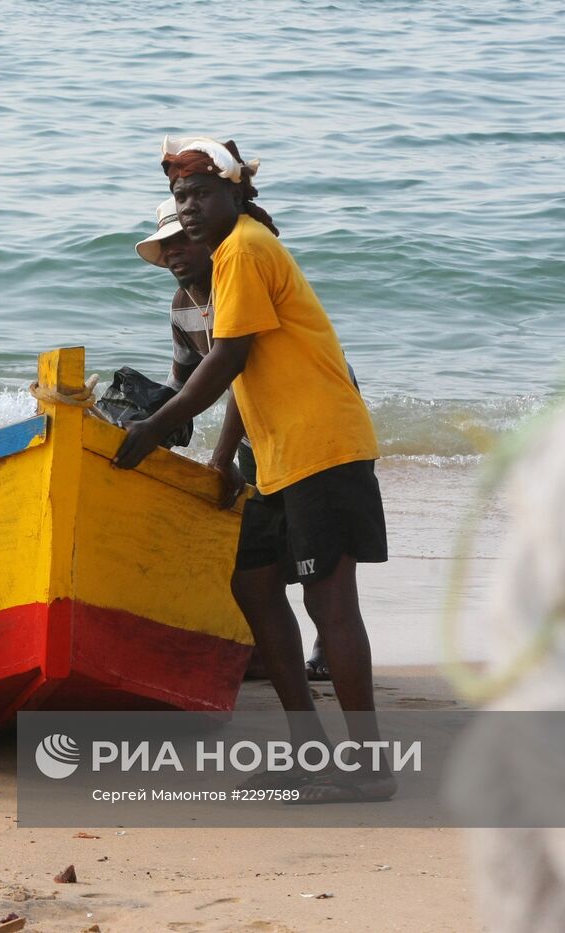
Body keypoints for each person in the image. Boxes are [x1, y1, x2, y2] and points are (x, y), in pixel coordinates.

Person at [115, 136, 392, 802]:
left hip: (320, 443)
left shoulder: (241, 246)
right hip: (278, 453)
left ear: (234, 193)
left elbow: (229, 358)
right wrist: (214, 451)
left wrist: (154, 427)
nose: (188, 209)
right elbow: (229, 373)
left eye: (200, 194)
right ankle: (308, 751)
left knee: (329, 601)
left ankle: (369, 766)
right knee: (255, 584)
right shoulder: (227, 258)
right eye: (180, 198)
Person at [136, 195, 352, 682]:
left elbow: (238, 373)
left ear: (207, 241)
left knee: (316, 557)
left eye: (181, 241)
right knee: (263, 559)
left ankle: (322, 644)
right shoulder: (184, 306)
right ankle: (266, 647)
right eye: (164, 246)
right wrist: (142, 417)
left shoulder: (238, 280)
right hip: (263, 426)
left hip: (309, 422)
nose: (172, 253)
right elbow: (185, 380)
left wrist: (220, 456)